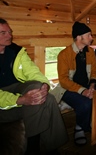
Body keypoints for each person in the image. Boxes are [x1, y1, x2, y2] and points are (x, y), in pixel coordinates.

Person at [0, 18, 68, 154]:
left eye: (10, 31)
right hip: (4, 106)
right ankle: (44, 147)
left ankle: (37, 148)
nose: (9, 35)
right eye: (3, 33)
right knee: (48, 100)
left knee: (39, 88)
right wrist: (20, 100)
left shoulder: (16, 51)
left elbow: (34, 73)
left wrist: (44, 86)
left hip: (18, 92)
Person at [56, 21, 96, 146]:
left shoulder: (90, 52)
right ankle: (79, 128)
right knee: (85, 104)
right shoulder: (64, 55)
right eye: (89, 35)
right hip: (68, 89)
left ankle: (95, 123)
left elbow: (94, 71)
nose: (92, 38)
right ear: (79, 37)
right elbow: (63, 80)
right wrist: (83, 91)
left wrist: (91, 86)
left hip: (87, 86)